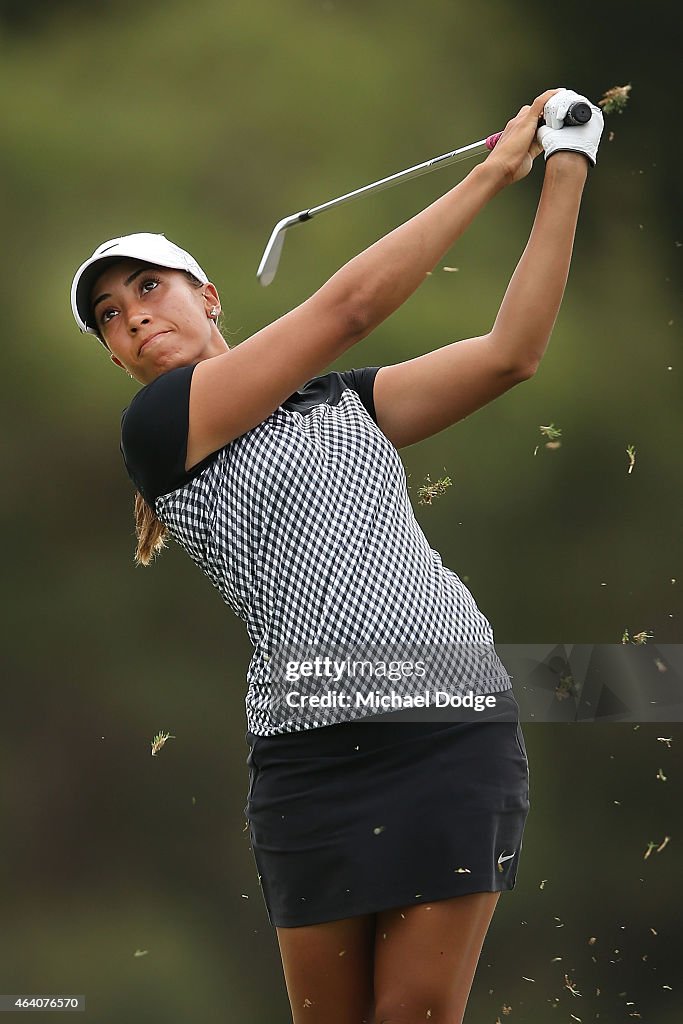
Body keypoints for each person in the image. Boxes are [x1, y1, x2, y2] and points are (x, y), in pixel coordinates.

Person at [70, 87, 603, 1024]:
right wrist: (491, 171)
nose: (135, 318)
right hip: (310, 758)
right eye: (112, 316)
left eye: (149, 289)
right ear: (115, 354)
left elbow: (510, 354)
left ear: (208, 296)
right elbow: (349, 306)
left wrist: (565, 167)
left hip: (449, 728)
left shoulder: (342, 404)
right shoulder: (160, 429)